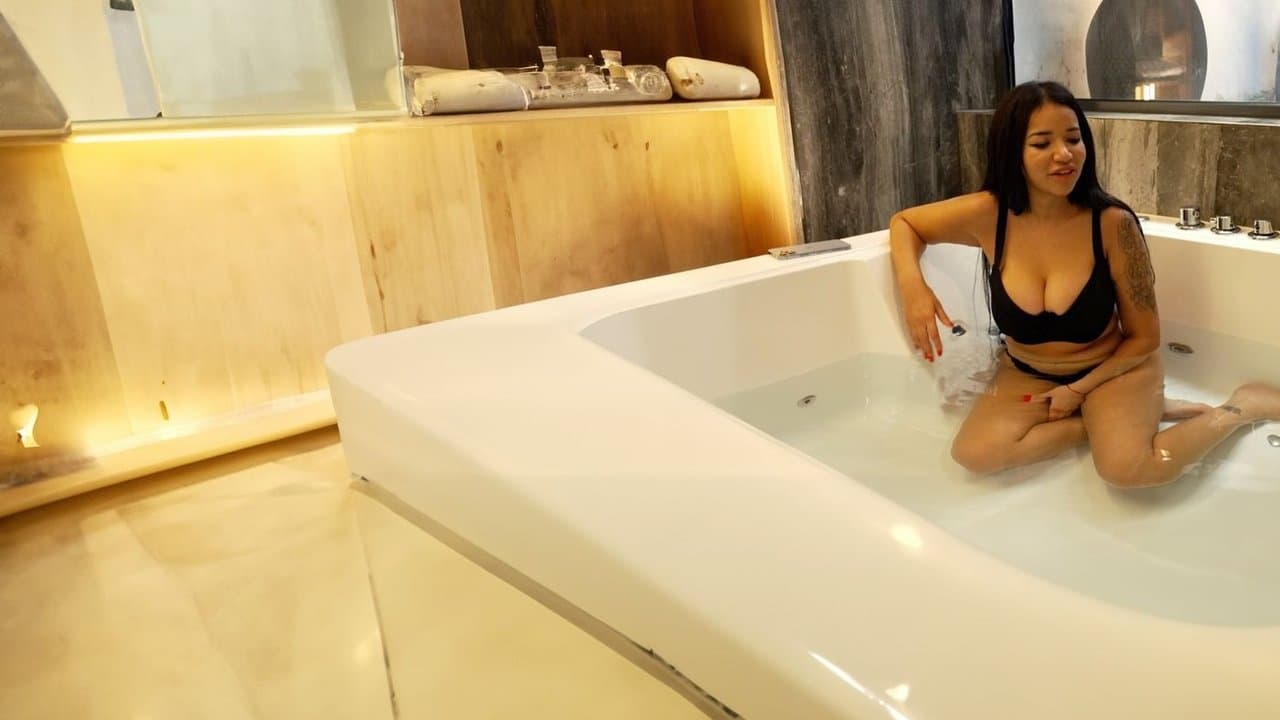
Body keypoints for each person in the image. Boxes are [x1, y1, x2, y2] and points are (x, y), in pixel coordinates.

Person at [888, 80, 1280, 487]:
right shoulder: (989, 214)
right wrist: (915, 289)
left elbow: (1144, 338)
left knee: (1128, 470)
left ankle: (1239, 409)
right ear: (1012, 153)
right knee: (974, 454)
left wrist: (1078, 391)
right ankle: (1113, 421)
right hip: (1027, 373)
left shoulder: (1111, 224)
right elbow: (905, 223)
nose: (1064, 154)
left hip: (1113, 369)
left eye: (1073, 139)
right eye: (1042, 143)